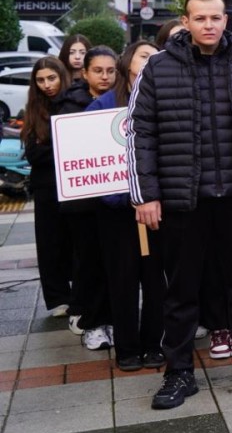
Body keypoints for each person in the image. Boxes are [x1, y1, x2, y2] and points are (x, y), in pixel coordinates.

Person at [128, 0, 232, 410]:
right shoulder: (158, 68)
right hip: (183, 199)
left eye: (216, 17)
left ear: (225, 19)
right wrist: (145, 195)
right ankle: (178, 372)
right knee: (180, 291)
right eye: (200, 18)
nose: (209, 25)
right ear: (186, 21)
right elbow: (140, 134)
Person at [88, 41, 166, 372]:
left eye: (156, 57)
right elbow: (92, 159)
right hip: (118, 213)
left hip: (159, 209)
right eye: (144, 56)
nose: (150, 61)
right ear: (128, 62)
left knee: (157, 280)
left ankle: (154, 343)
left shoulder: (165, 98)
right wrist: (126, 197)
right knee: (122, 280)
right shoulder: (103, 105)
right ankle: (127, 347)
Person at [68, 46, 116, 350]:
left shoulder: (125, 101)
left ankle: (113, 320)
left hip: (117, 202)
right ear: (85, 73)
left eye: (111, 71)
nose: (105, 77)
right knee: (90, 263)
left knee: (116, 266)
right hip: (85, 203)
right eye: (98, 70)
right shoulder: (70, 106)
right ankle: (92, 322)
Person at [23, 58, 78, 318]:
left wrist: (51, 147)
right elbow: (34, 154)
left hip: (74, 184)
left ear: (61, 76)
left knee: (76, 242)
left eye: (51, 78)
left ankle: (79, 293)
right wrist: (61, 146)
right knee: (49, 244)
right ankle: (58, 297)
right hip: (46, 187)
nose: (47, 85)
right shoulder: (34, 109)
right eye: (40, 80)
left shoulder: (74, 103)